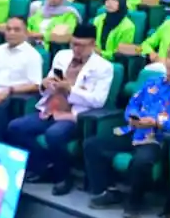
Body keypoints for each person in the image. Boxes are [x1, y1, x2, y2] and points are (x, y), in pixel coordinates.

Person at [84, 41, 170, 218]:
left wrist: (156, 123)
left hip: (157, 138)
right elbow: (133, 104)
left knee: (141, 161)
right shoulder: (152, 82)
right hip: (132, 131)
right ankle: (108, 191)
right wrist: (133, 117)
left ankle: (134, 202)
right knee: (92, 145)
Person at [7, 22, 114, 195]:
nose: (76, 49)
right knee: (16, 127)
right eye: (74, 44)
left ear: (93, 44)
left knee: (54, 134)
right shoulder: (62, 56)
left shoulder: (103, 67)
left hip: (74, 114)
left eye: (82, 45)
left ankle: (63, 176)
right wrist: (45, 84)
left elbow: (98, 101)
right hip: (50, 108)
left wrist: (70, 89)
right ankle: (44, 166)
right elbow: (48, 83)